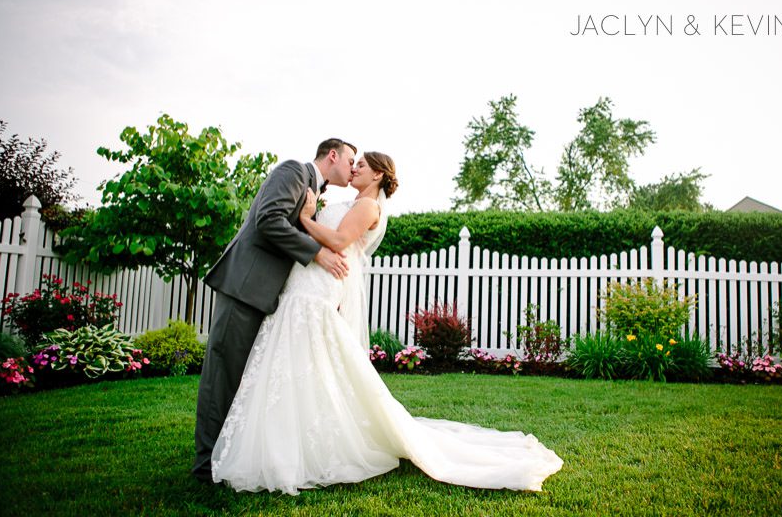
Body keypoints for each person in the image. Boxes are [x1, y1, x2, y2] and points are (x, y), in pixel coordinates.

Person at [211, 152, 563, 494]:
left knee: (303, 361)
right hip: (303, 284)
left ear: (377, 174)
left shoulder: (367, 206)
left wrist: (305, 219)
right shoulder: (345, 201)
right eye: (353, 163)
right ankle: (284, 439)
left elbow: (336, 241)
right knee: (294, 365)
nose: (354, 170)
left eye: (360, 165)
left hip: (316, 288)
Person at [192, 138, 357, 484]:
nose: (353, 167)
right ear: (332, 155)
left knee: (244, 381)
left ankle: (227, 453)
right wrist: (317, 253)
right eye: (350, 159)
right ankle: (206, 464)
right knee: (222, 376)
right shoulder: (294, 171)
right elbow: (268, 219)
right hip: (244, 287)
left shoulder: (312, 188)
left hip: (264, 296)